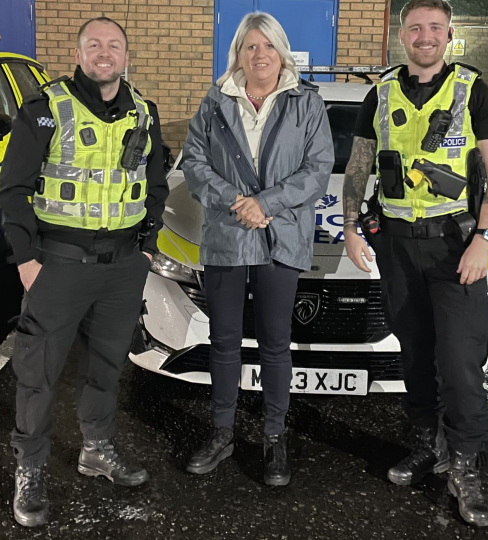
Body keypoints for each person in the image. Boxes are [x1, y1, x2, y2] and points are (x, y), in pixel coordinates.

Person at [342, 0, 488, 527]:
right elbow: (357, 168)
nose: (424, 35)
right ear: (402, 36)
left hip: (455, 248)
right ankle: (426, 443)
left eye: (434, 27)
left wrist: (484, 237)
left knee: (459, 363)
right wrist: (350, 225)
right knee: (414, 356)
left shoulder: (474, 92)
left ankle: (464, 463)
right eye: (415, 27)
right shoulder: (381, 93)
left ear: (449, 34)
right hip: (395, 246)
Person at [0, 17, 169, 527]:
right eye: (94, 44)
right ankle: (29, 468)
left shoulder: (145, 112)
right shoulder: (46, 109)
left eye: (113, 45)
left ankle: (96, 448)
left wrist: (145, 251)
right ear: (79, 52)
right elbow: (12, 191)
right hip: (59, 265)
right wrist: (26, 260)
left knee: (106, 366)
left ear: (126, 55)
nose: (104, 53)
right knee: (38, 374)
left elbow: (155, 187)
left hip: (121, 268)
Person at [181, 12, 334, 487]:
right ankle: (222, 433)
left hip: (280, 236)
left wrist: (264, 204)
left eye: (268, 46)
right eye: (250, 47)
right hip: (227, 237)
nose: (260, 55)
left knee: (274, 344)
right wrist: (236, 202)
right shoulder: (215, 100)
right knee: (224, 342)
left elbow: (318, 167)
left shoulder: (306, 101)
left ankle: (273, 438)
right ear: (238, 54)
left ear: (282, 51)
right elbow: (194, 162)